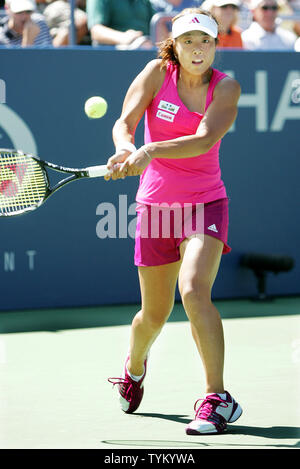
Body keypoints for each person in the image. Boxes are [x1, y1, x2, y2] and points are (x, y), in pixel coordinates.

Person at [105, 7, 243, 435]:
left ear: (215, 46)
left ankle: (217, 397)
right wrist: (126, 148)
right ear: (175, 46)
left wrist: (148, 152)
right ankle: (135, 366)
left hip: (205, 203)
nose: (197, 50)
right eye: (188, 42)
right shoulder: (154, 73)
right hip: (156, 208)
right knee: (153, 315)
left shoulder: (227, 88)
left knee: (194, 290)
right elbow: (124, 123)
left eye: (205, 42)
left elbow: (203, 139)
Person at [86, 0, 155, 49]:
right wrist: (125, 38)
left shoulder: (145, 2)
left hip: (146, 46)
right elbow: (96, 31)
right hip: (114, 52)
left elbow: (157, 26)